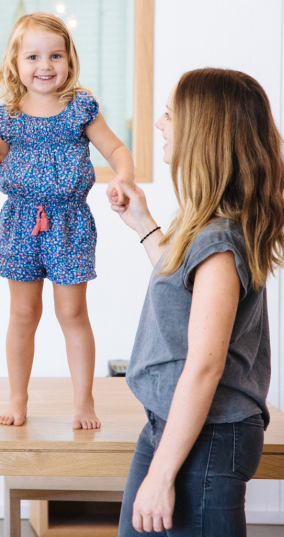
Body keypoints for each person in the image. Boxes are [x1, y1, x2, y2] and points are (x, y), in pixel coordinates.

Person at [111, 68, 284, 536]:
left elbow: (205, 366)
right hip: (177, 425)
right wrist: (142, 222)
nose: (159, 124)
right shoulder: (211, 229)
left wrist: (161, 475)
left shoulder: (220, 242)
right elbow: (182, 289)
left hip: (207, 436)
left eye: (169, 114)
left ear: (202, 132)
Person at [0, 12, 135, 429]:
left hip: (69, 223)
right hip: (20, 223)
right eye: (33, 57)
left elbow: (116, 150)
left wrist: (123, 177)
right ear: (15, 63)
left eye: (56, 55)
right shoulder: (9, 115)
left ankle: (84, 402)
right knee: (23, 313)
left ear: (69, 60)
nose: (45, 65)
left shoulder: (80, 108)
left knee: (72, 313)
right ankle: (17, 399)